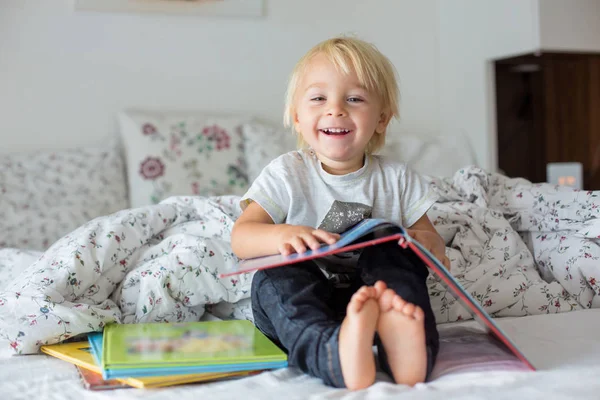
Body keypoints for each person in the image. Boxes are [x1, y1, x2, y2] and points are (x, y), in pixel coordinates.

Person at [231, 36, 449, 391]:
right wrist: (282, 235)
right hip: (306, 291)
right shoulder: (287, 173)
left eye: (354, 99)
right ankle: (335, 352)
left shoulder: (397, 178)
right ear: (298, 118)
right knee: (273, 277)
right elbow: (241, 238)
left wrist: (424, 246)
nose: (335, 110)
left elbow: (431, 240)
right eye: (319, 98)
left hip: (374, 297)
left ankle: (408, 350)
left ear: (381, 119)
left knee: (398, 256)